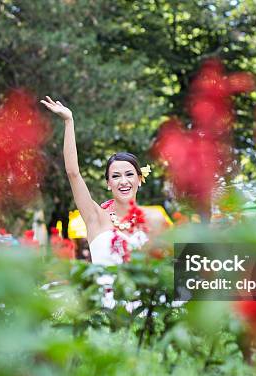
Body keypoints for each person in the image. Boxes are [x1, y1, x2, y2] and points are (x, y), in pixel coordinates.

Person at [40, 96, 167, 266]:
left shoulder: (154, 219)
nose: (123, 181)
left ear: (140, 179)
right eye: (115, 176)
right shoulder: (95, 217)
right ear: (108, 183)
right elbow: (73, 173)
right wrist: (69, 121)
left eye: (129, 174)